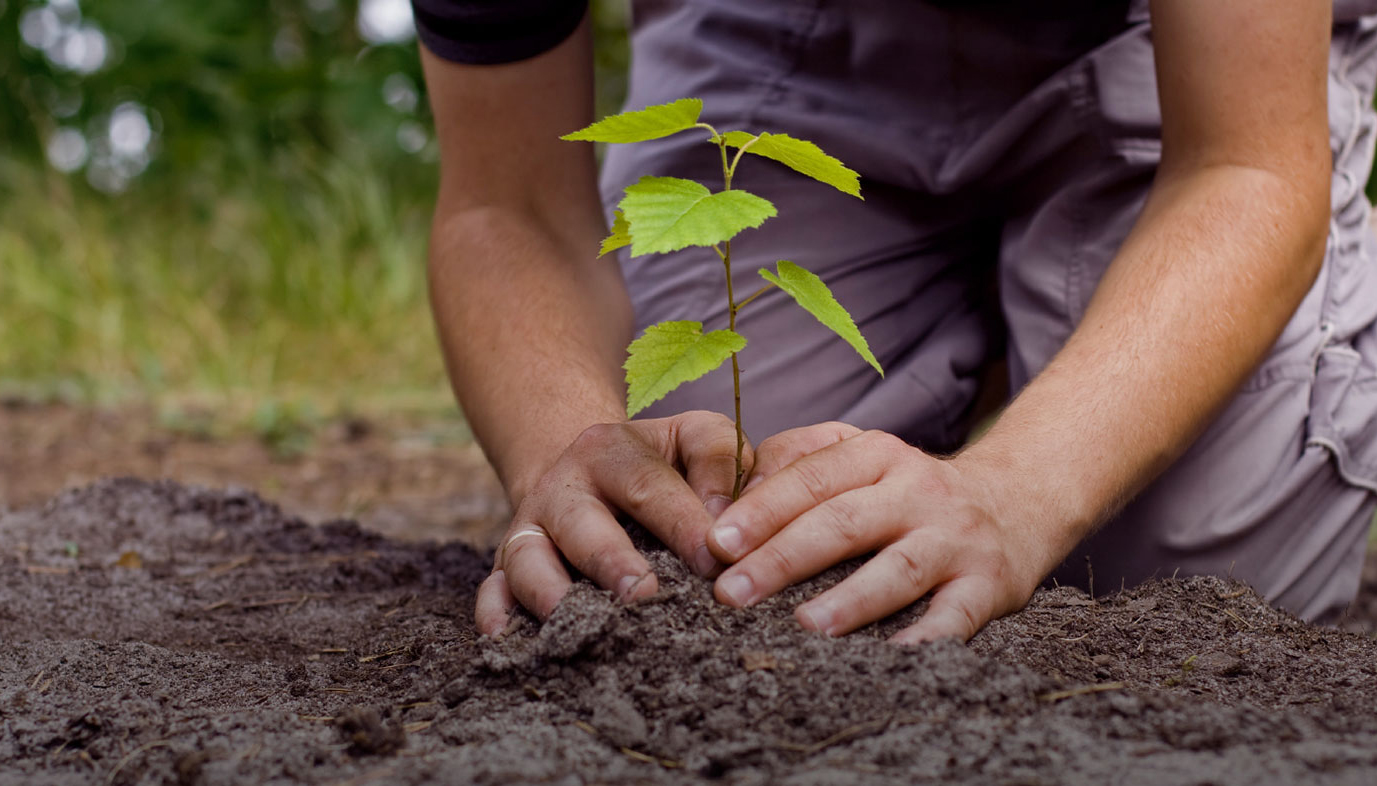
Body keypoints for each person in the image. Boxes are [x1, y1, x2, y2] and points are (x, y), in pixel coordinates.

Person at [412, 0, 1377, 643]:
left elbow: (1244, 166)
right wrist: (562, 452)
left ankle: (1035, 334)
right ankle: (986, 317)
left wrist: (1020, 490)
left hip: (1171, 44)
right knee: (703, 522)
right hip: (780, 29)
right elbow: (509, 204)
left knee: (1189, 591)